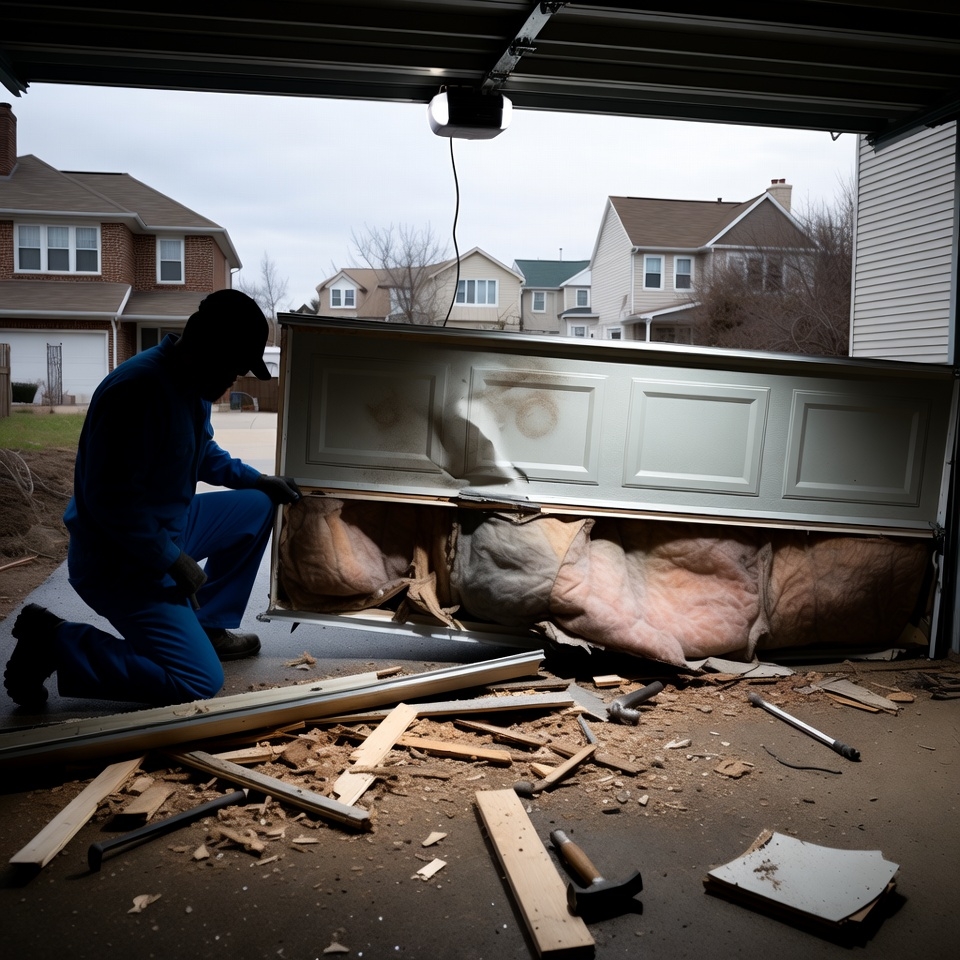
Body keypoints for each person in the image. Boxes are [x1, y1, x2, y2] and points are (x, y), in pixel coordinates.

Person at [3, 289, 301, 709]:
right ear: (203, 344)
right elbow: (109, 503)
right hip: (119, 559)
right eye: (232, 366)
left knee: (257, 504)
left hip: (165, 531)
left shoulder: (192, 386)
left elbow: (203, 454)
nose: (235, 378)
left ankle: (208, 627)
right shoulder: (137, 391)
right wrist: (172, 560)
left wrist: (258, 479)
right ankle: (53, 640)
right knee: (196, 680)